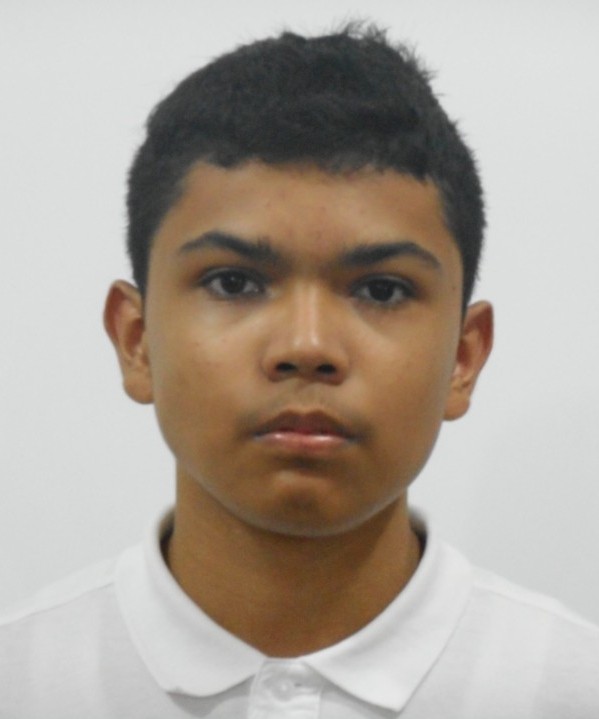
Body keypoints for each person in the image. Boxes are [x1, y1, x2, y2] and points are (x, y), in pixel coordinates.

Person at [1, 22, 598, 719]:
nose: (307, 345)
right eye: (233, 282)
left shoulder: (570, 689)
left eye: (381, 290)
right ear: (136, 342)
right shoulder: (23, 683)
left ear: (463, 359)